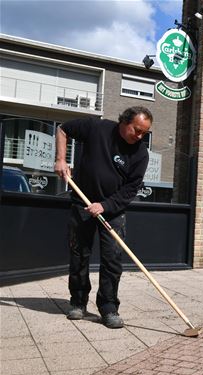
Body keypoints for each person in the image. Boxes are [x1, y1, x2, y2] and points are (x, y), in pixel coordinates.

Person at [54, 106, 152, 328]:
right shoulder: (97, 128)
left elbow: (130, 190)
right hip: (82, 203)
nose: (139, 136)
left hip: (113, 210)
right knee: (79, 254)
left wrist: (105, 205)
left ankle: (108, 307)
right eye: (137, 130)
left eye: (144, 133)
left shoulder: (140, 154)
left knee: (112, 259)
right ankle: (78, 303)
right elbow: (63, 129)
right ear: (124, 122)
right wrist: (61, 159)